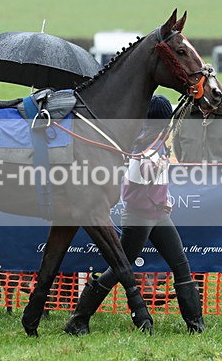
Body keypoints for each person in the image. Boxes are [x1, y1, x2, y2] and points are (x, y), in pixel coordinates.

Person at [64, 95, 204, 334]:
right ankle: (79, 318)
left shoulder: (158, 141)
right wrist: (156, 167)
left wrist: (165, 198)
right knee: (118, 269)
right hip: (139, 218)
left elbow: (157, 180)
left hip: (158, 215)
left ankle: (196, 325)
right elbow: (136, 179)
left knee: (180, 264)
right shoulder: (142, 144)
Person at [173, 101, 222, 319]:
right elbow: (179, 151)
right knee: (194, 251)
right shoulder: (182, 116)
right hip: (194, 196)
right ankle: (196, 307)